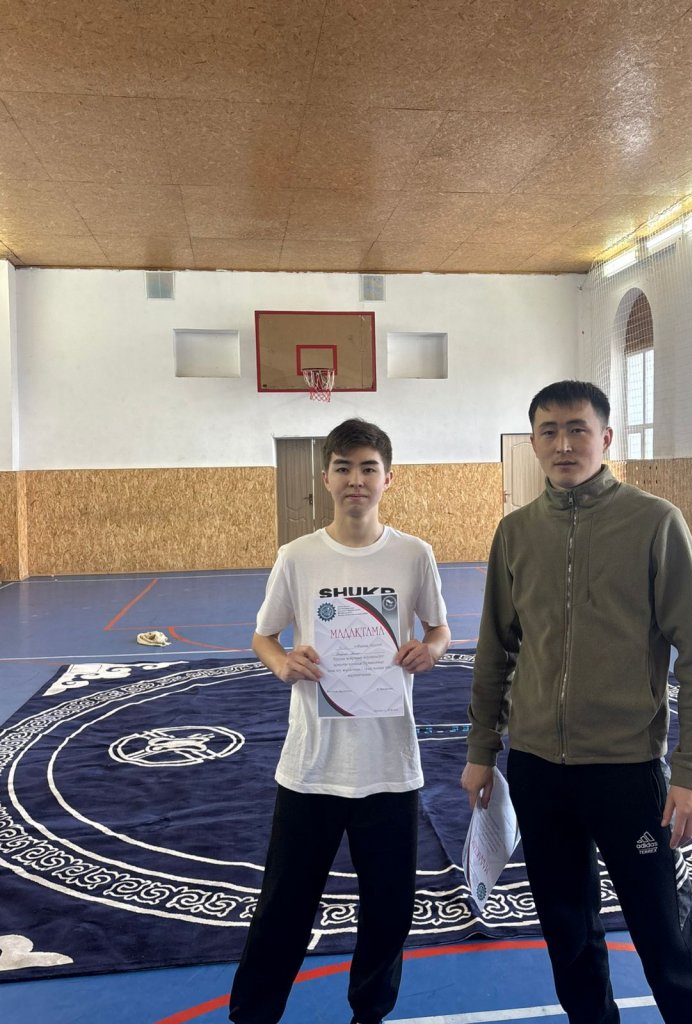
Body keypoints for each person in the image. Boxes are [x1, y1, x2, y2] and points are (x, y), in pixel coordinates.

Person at [461, 380, 692, 1024]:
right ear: (533, 443)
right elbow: (495, 650)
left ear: (605, 438)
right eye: (549, 431)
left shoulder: (655, 522)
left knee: (665, 934)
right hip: (536, 769)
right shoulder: (516, 532)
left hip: (625, 770)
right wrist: (481, 750)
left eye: (577, 429)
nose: (563, 444)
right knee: (569, 933)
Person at [230, 417, 451, 1024]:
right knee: (283, 907)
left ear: (387, 478)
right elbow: (264, 635)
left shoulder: (414, 555)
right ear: (325, 477)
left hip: (389, 766)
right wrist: (282, 662)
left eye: (368, 468)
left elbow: (439, 629)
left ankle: (369, 1014)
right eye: (344, 467)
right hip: (313, 766)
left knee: (389, 910)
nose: (356, 479)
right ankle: (252, 1015)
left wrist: (430, 650)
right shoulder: (297, 557)